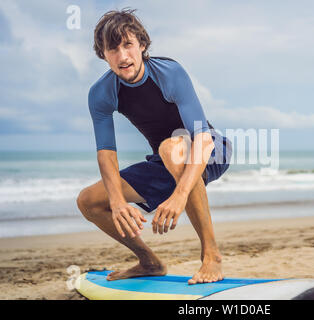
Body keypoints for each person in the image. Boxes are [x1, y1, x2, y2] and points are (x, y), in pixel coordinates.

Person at [76, 8, 232, 285]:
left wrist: (179, 196)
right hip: (166, 161)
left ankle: (211, 256)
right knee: (89, 201)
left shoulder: (169, 73)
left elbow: (203, 138)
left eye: (128, 45)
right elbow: (106, 155)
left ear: (142, 45)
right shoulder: (101, 93)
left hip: (210, 150)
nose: (122, 56)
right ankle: (149, 262)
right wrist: (117, 201)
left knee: (171, 147)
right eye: (112, 49)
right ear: (103, 54)